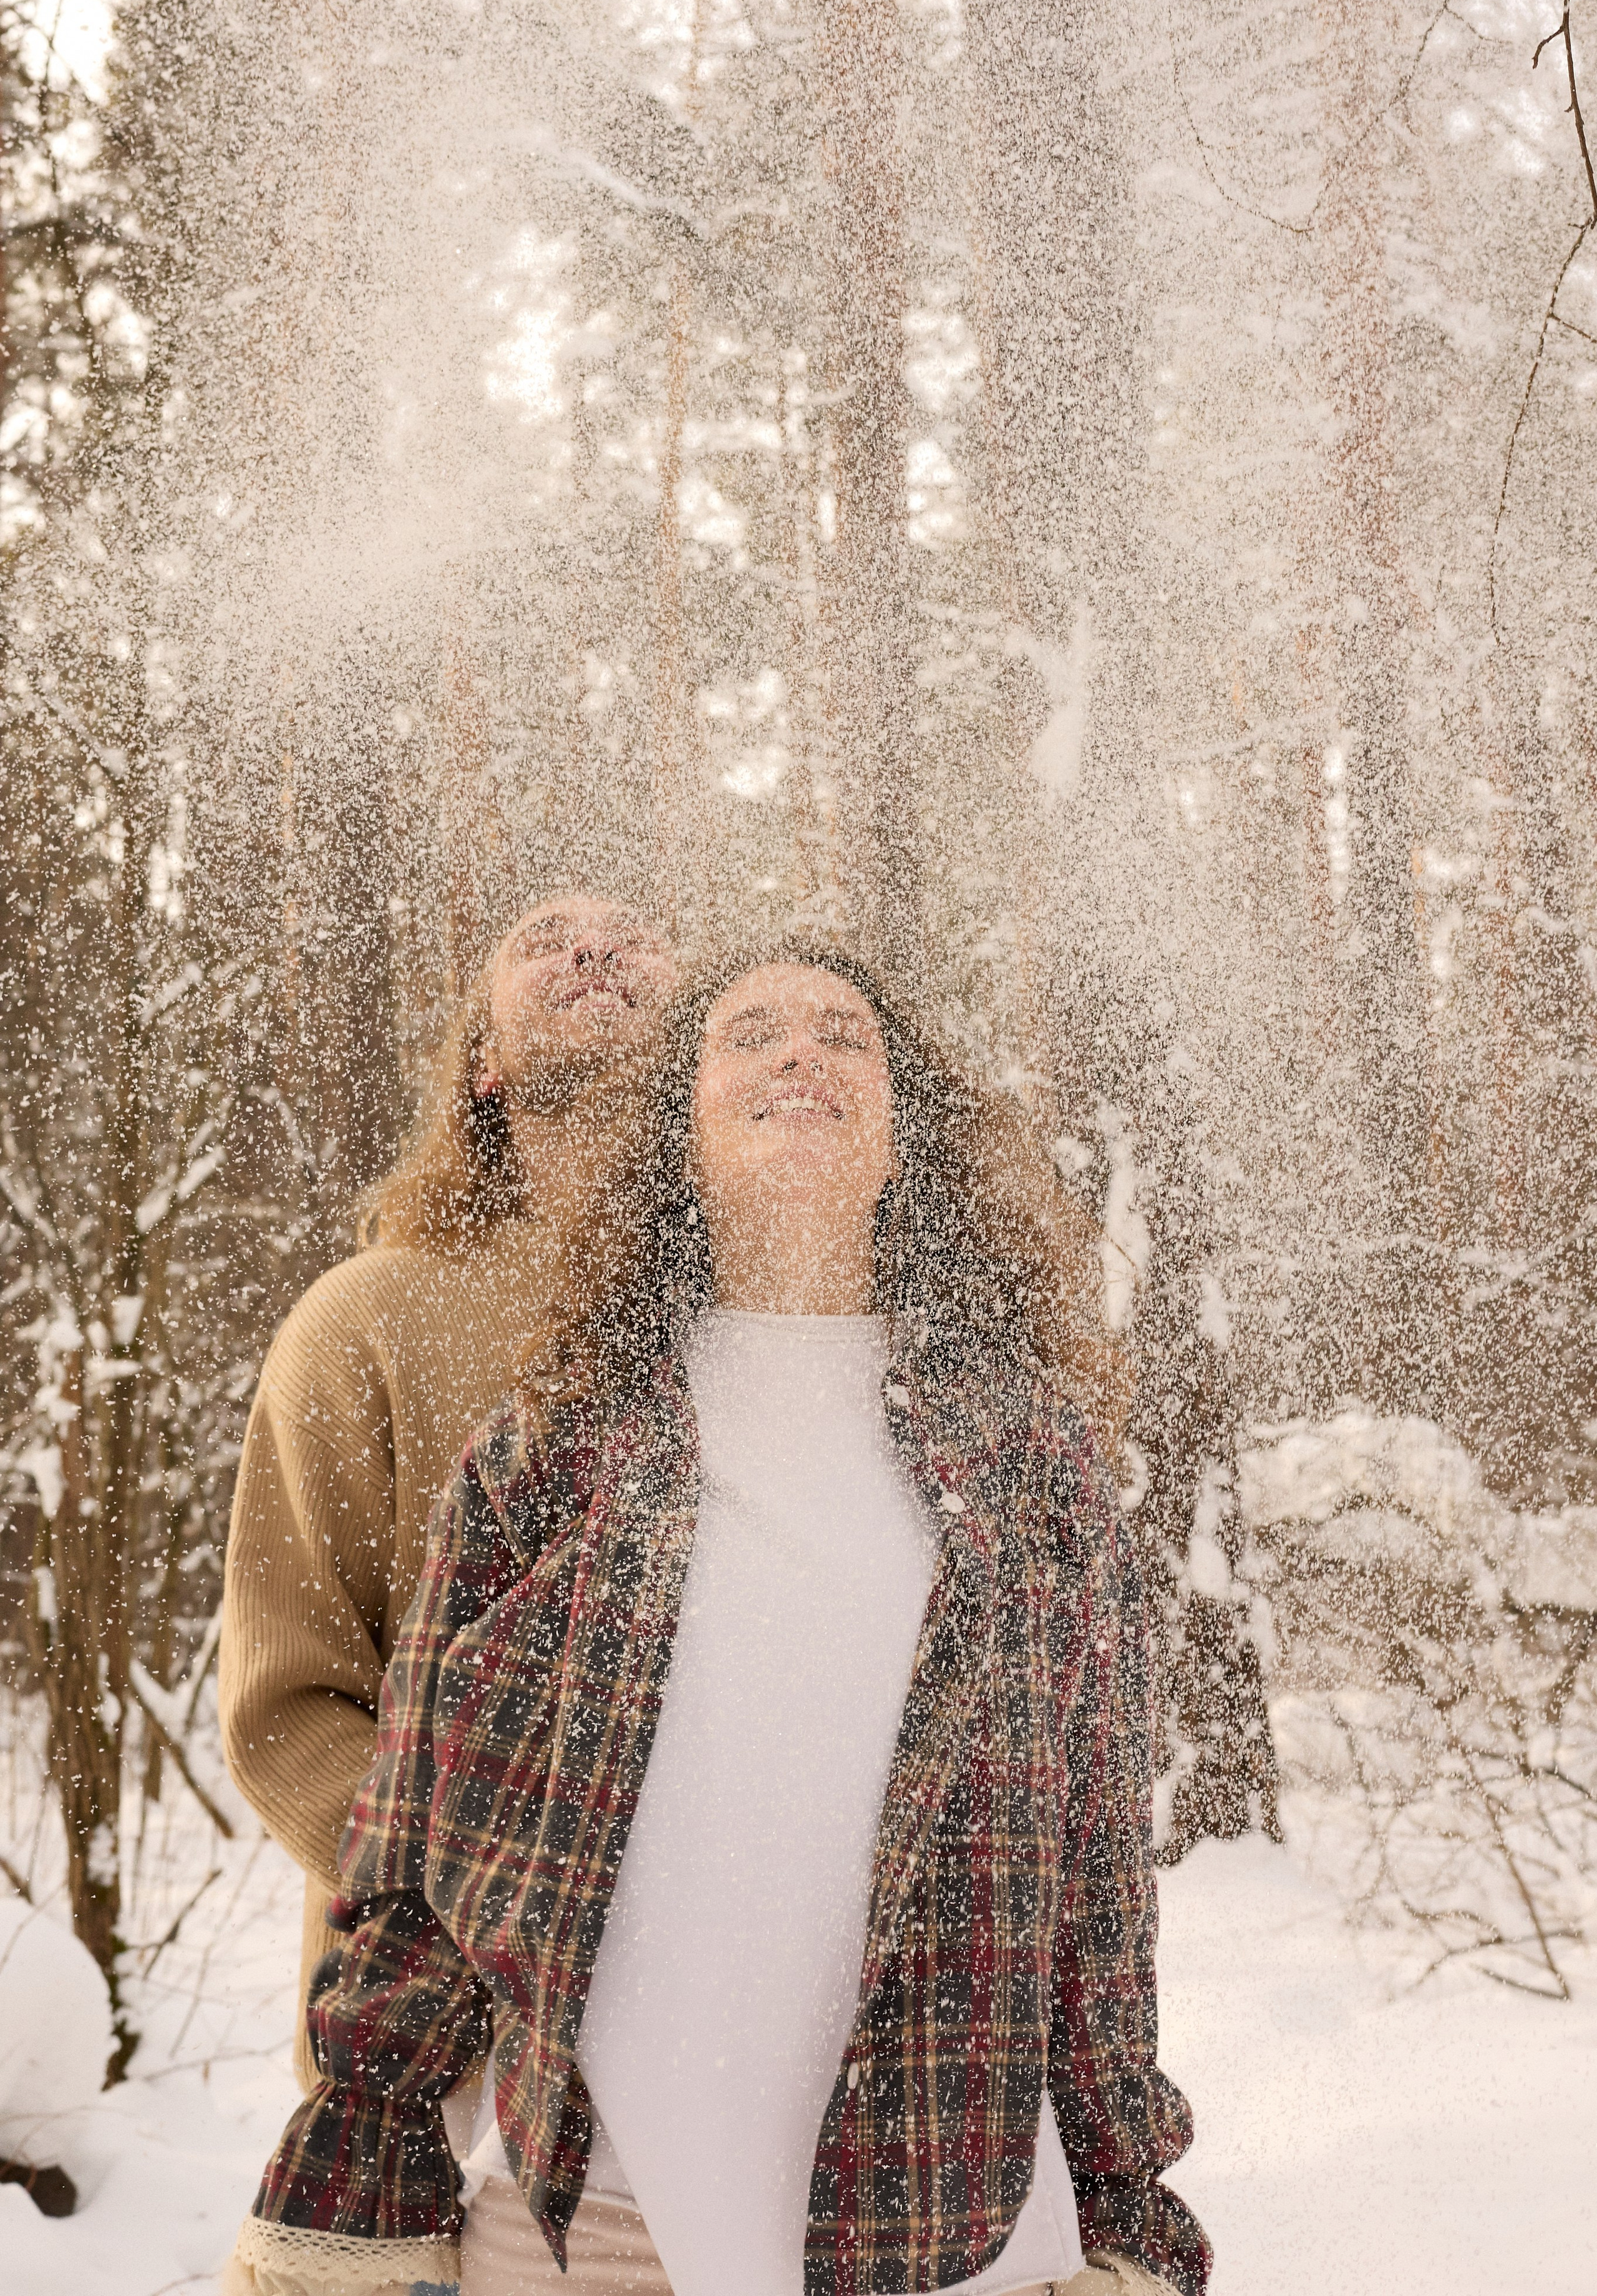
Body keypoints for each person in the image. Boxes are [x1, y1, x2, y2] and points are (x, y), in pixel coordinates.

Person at [224, 946, 1203, 2296]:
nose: (798, 1052)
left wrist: (1127, 2214)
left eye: (843, 1034)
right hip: (589, 2233)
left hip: (943, 2225)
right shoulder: (547, 1450)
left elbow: (1093, 1883)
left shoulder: (1033, 1461)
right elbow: (420, 1843)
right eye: (747, 1032)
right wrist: (365, 2154)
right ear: (675, 1124)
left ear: (902, 1129)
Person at [220, 892, 678, 2088]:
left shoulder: (784, 1315)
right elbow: (290, 1710)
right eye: (543, 940)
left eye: (631, 936)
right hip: (441, 2071)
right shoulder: (360, 1320)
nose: (592, 948)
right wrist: (510, 1912)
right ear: (482, 1063)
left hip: (759, 2065)